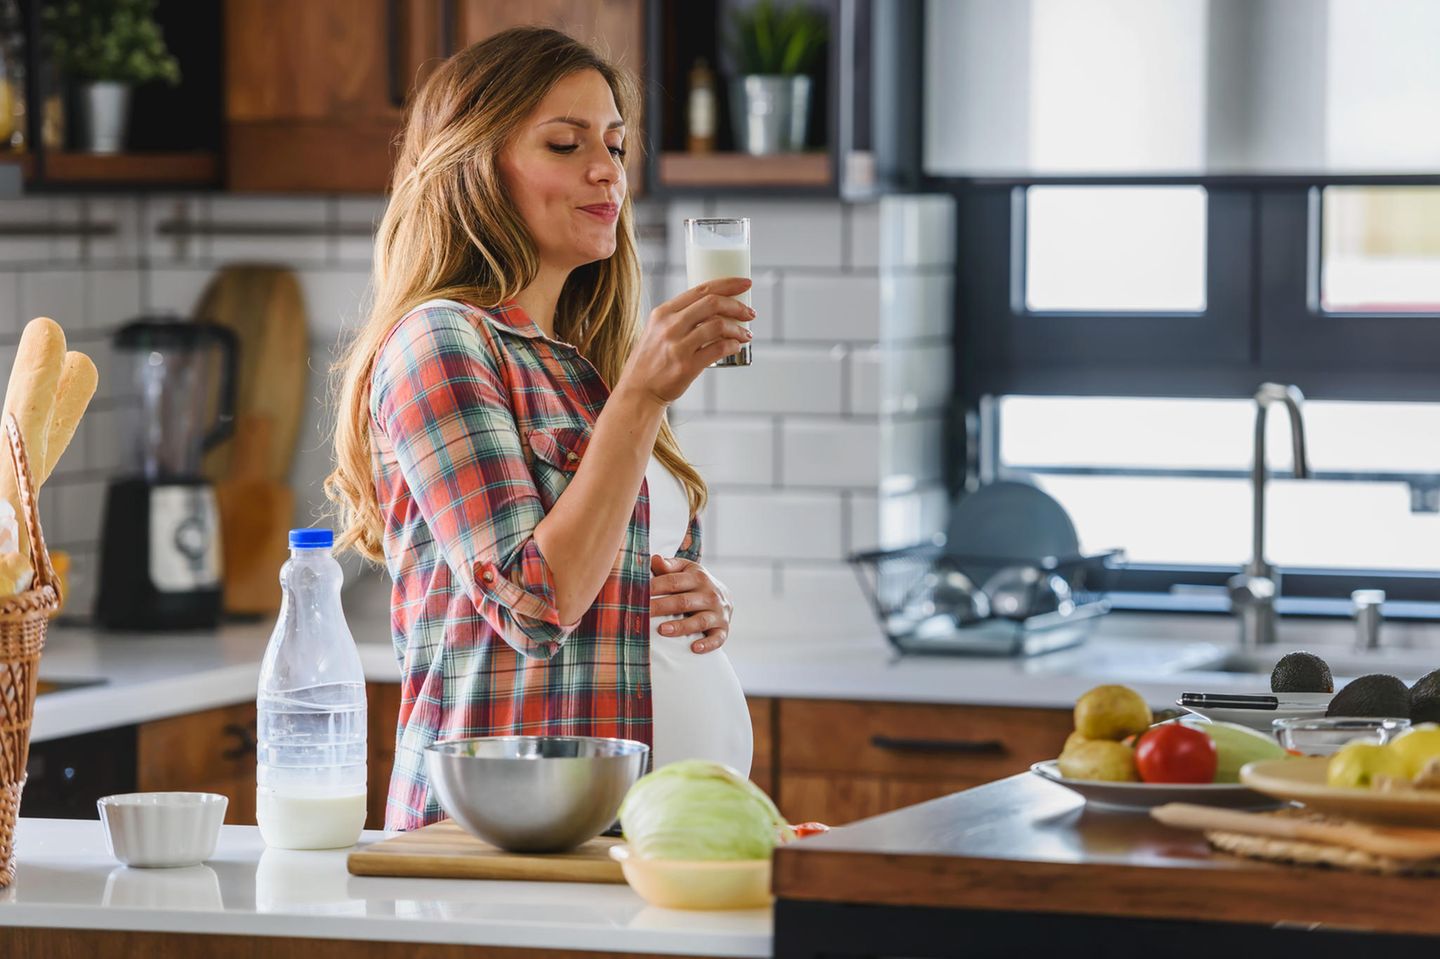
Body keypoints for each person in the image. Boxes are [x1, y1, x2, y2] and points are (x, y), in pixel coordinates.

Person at [326, 27, 755, 831]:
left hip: (644, 839)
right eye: (565, 143)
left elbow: (608, 570)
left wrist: (693, 596)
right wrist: (641, 397)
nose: (607, 169)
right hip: (500, 840)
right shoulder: (441, 343)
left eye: (616, 144)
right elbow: (534, 605)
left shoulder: (585, 364)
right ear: (476, 168)